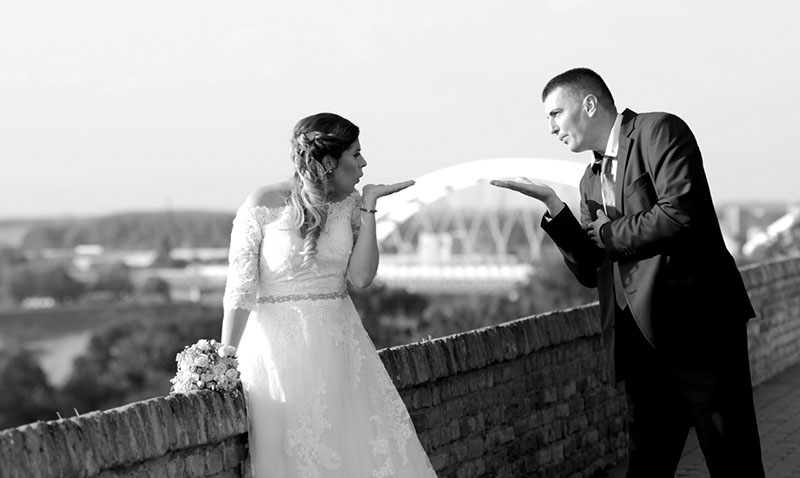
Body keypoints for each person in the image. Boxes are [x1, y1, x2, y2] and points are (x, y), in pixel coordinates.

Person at [491, 68, 764, 477]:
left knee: (733, 462)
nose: (551, 128)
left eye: (555, 114)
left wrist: (607, 232)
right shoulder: (589, 180)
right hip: (640, 346)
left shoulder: (659, 132)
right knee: (647, 466)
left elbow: (679, 214)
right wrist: (554, 207)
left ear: (588, 104)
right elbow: (590, 268)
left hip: (698, 333)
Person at [220, 113, 438, 478]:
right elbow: (239, 290)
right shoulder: (262, 202)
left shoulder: (351, 204)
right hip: (277, 358)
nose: (364, 163)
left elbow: (362, 277)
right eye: (356, 154)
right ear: (327, 161)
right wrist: (222, 361)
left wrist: (369, 205)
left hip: (342, 352)